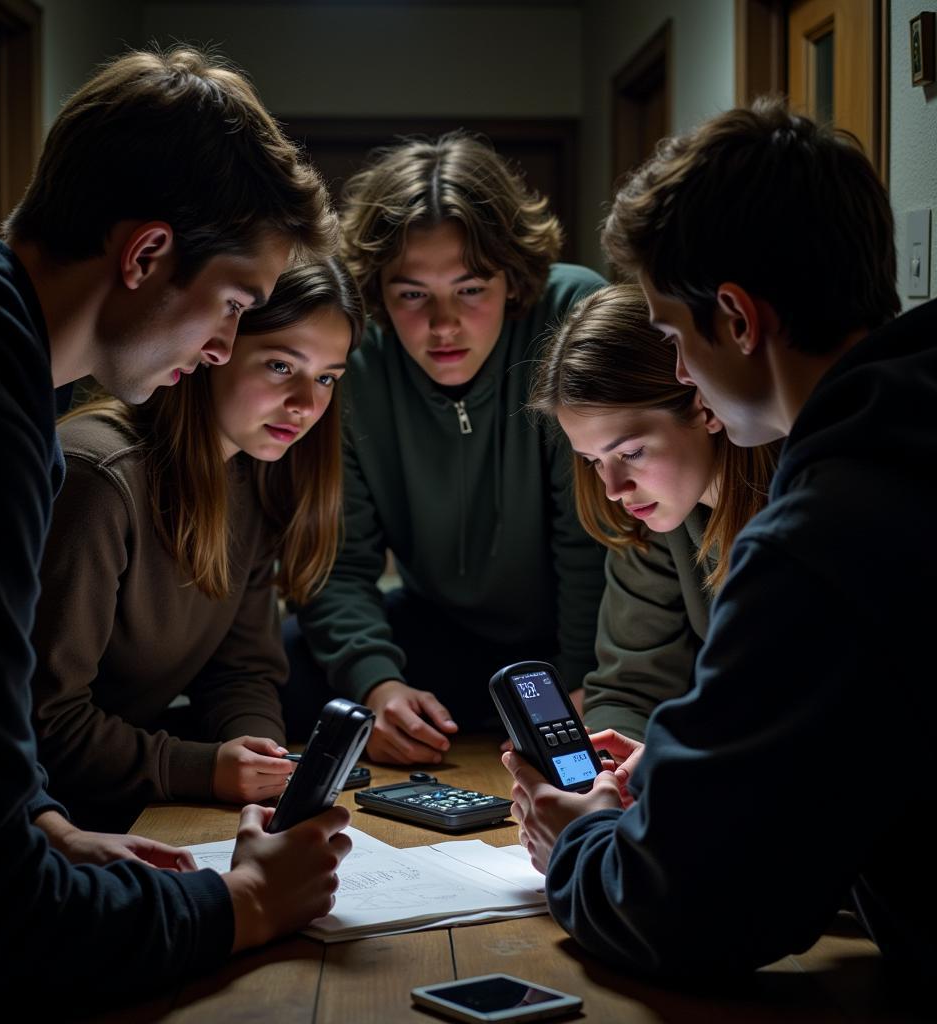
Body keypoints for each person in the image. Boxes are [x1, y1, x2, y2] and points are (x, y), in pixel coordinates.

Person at [0, 48, 353, 1003]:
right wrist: (241, 906)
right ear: (147, 254)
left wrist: (37, 820)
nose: (226, 348)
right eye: (233, 305)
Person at [504, 98, 937, 980]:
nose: (678, 374)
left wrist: (583, 841)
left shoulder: (823, 537)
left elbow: (687, 911)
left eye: (671, 336)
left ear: (736, 320)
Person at [284, 132, 608, 766]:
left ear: (513, 281)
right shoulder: (351, 356)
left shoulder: (573, 315)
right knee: (289, 665)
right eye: (412, 295)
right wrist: (377, 686)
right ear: (379, 293)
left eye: (470, 288)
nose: (443, 325)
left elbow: (591, 538)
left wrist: (582, 680)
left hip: (575, 629)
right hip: (442, 624)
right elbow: (337, 558)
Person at [31, 261, 363, 833]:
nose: (307, 403)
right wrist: (205, 768)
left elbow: (241, 671)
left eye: (327, 377)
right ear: (214, 349)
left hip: (127, 797)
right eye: (281, 365)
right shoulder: (99, 477)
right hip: (40, 816)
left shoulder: (255, 476)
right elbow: (44, 721)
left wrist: (260, 761)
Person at [528, 283, 777, 740]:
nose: (613, 489)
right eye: (593, 462)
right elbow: (628, 693)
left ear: (704, 405)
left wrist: (670, 769)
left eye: (633, 452)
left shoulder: (799, 506)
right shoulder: (656, 516)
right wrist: (611, 776)